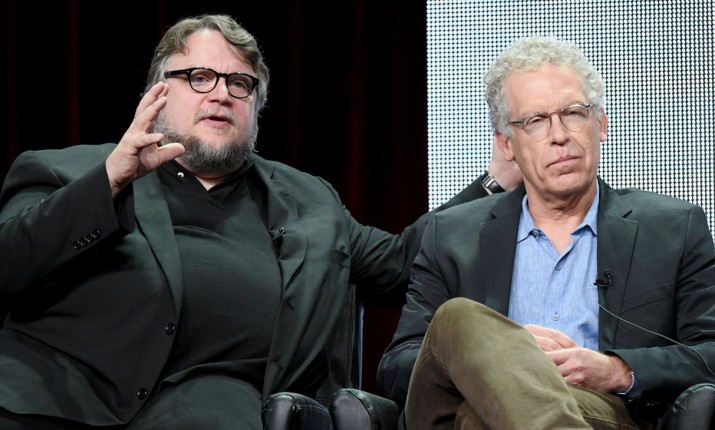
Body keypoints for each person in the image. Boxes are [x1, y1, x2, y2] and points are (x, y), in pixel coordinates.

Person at [0, 13, 522, 430]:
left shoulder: (309, 201)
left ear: (256, 108)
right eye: (199, 77)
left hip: (227, 407)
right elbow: (10, 265)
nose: (221, 93)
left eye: (240, 84)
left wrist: (495, 181)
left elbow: (405, 263)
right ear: (157, 94)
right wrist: (109, 182)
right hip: (70, 406)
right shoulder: (68, 172)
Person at [376, 36, 715, 429]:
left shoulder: (672, 228)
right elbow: (397, 367)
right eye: (536, 121)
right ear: (506, 145)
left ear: (600, 124)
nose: (559, 135)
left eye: (572, 113)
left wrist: (617, 370)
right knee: (458, 321)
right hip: (464, 406)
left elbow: (709, 353)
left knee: (476, 419)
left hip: (601, 413)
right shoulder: (451, 236)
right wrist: (499, 359)